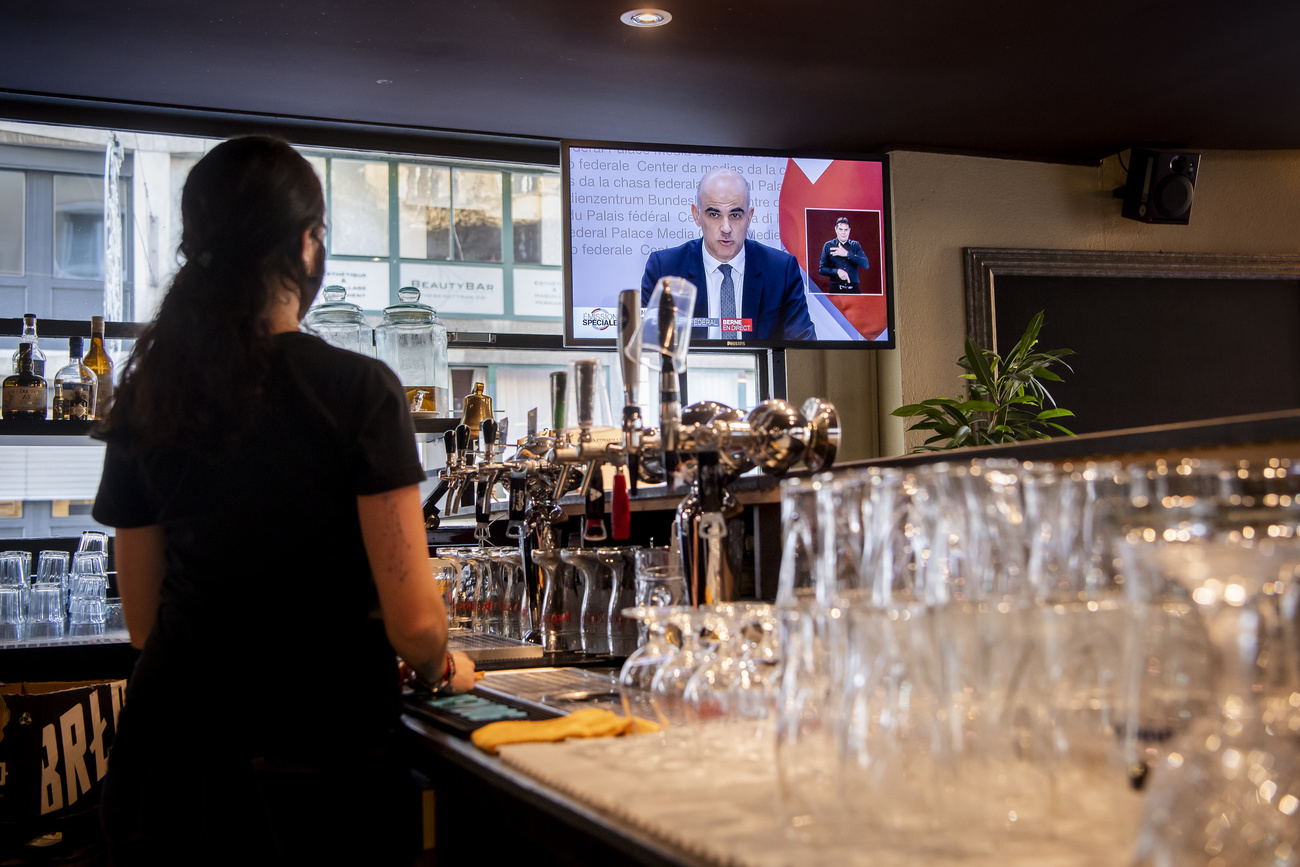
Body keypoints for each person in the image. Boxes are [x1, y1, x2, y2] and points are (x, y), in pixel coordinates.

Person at [91, 136, 475, 866]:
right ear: (306, 246)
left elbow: (143, 623)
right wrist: (440, 666)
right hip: (311, 775)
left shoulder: (150, 393)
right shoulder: (359, 391)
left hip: (168, 765)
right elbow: (417, 623)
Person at [640, 168, 816, 341]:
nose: (726, 228)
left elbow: (803, 349)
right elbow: (649, 348)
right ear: (697, 215)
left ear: (749, 217)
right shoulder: (664, 270)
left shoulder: (781, 271)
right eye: (714, 214)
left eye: (735, 215)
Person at [817, 216, 869, 293]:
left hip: (854, 290)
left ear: (849, 230)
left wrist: (847, 254)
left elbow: (866, 264)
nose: (843, 233)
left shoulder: (855, 245)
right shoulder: (828, 245)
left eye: (846, 230)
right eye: (840, 229)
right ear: (836, 230)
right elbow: (822, 269)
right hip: (835, 291)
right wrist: (837, 271)